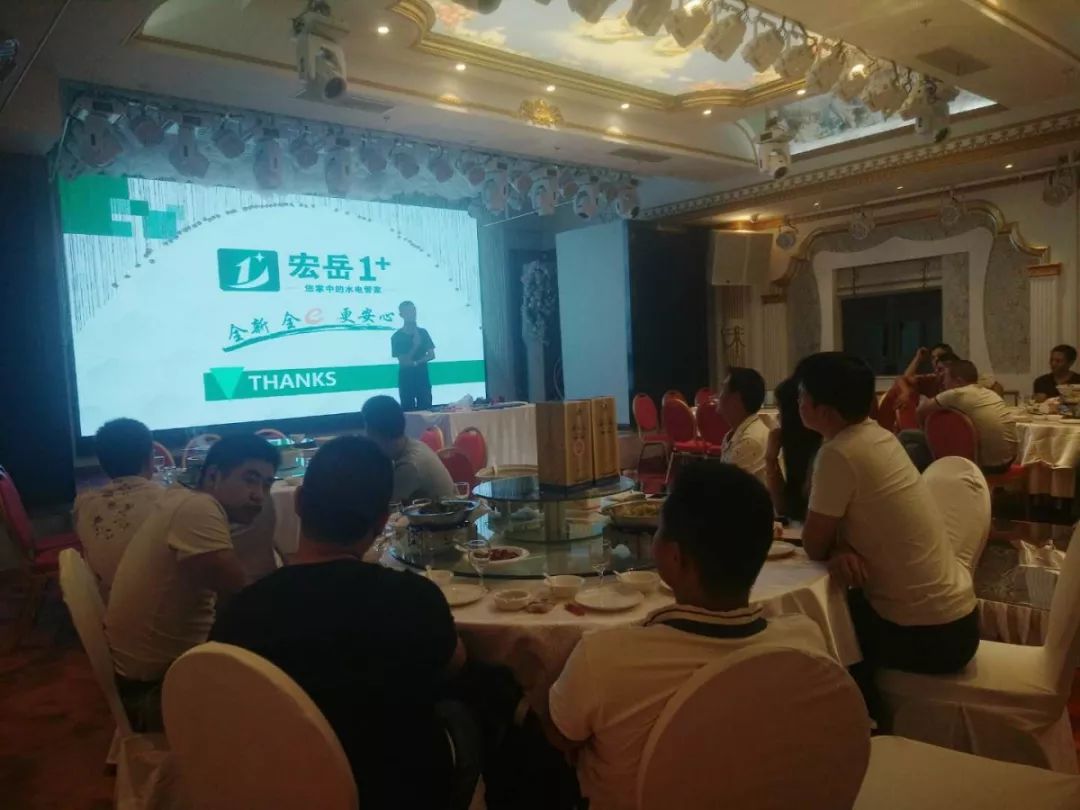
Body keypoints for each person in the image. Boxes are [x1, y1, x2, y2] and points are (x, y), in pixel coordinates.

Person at [543, 461, 829, 810]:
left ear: (676, 557)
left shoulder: (605, 658)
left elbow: (561, 734)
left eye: (659, 530)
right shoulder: (805, 643)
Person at [211, 437, 464, 808]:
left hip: (279, 793)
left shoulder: (240, 615)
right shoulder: (412, 599)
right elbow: (454, 664)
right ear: (381, 522)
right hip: (399, 791)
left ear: (298, 502)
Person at [796, 352, 978, 721]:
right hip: (960, 620)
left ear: (824, 410)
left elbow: (813, 544)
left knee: (817, 630)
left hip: (930, 636)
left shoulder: (838, 453)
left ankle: (867, 724)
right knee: (844, 610)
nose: (797, 402)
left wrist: (834, 546)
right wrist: (840, 546)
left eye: (802, 395)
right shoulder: (878, 437)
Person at [105, 434, 279, 731]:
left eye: (266, 485)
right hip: (154, 695)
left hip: (150, 677)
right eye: (250, 480)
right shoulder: (199, 509)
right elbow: (247, 599)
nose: (259, 496)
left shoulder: (180, 498)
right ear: (213, 476)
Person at [73, 418, 163, 593]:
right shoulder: (173, 502)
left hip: (108, 600)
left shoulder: (83, 505)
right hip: (161, 602)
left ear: (102, 463)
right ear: (151, 458)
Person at [918, 359, 1018, 473]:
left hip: (986, 466)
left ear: (958, 381)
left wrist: (924, 430)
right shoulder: (989, 393)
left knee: (910, 438)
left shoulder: (957, 393)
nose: (944, 383)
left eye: (946, 378)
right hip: (1009, 460)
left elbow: (921, 410)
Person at [361, 395, 454, 503]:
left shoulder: (409, 466)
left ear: (375, 433)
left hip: (444, 514)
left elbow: (383, 506)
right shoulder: (413, 445)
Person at [764, 377, 821, 521]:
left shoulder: (826, 452)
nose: (777, 417)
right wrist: (770, 461)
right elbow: (784, 508)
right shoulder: (799, 450)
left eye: (780, 410)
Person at [716, 366, 770, 482]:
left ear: (736, 399)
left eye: (723, 389)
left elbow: (725, 486)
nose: (718, 395)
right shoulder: (734, 433)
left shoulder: (750, 441)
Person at [392, 300, 435, 411]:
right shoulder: (397, 336)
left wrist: (416, 362)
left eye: (413, 310)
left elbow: (431, 355)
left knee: (426, 409)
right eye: (408, 311)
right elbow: (404, 362)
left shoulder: (423, 332)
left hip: (422, 377)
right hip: (406, 378)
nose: (412, 314)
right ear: (401, 315)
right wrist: (415, 346)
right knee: (408, 410)